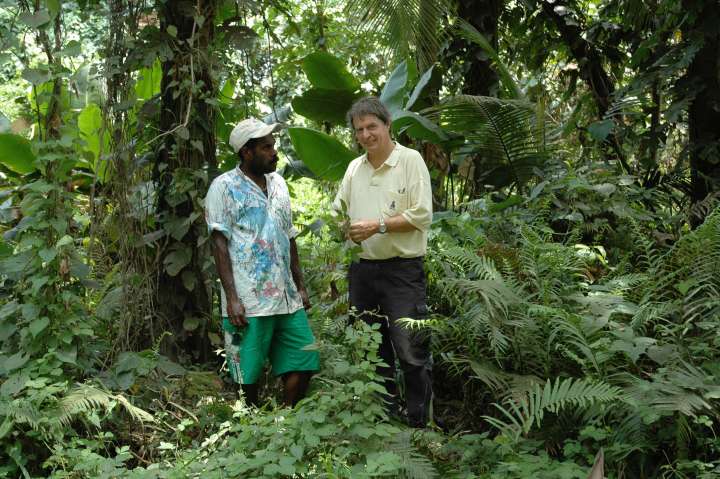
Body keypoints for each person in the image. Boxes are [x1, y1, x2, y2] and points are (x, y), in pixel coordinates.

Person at [205, 118, 319, 407]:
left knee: (304, 360)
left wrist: (301, 286)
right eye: (267, 147)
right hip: (249, 299)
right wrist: (232, 298)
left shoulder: (278, 183)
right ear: (246, 152)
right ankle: (251, 429)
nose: (274, 152)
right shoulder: (223, 188)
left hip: (287, 297)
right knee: (247, 373)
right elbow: (219, 244)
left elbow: (289, 236)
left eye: (273, 145)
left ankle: (287, 420)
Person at [334, 96, 434, 427]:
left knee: (411, 350)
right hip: (362, 271)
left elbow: (422, 214)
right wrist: (344, 230)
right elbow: (338, 213)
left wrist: (378, 225)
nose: (365, 134)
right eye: (359, 129)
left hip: (402, 271)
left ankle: (419, 423)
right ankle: (385, 421)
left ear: (387, 125)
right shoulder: (353, 168)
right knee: (372, 350)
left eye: (371, 126)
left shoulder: (410, 160)